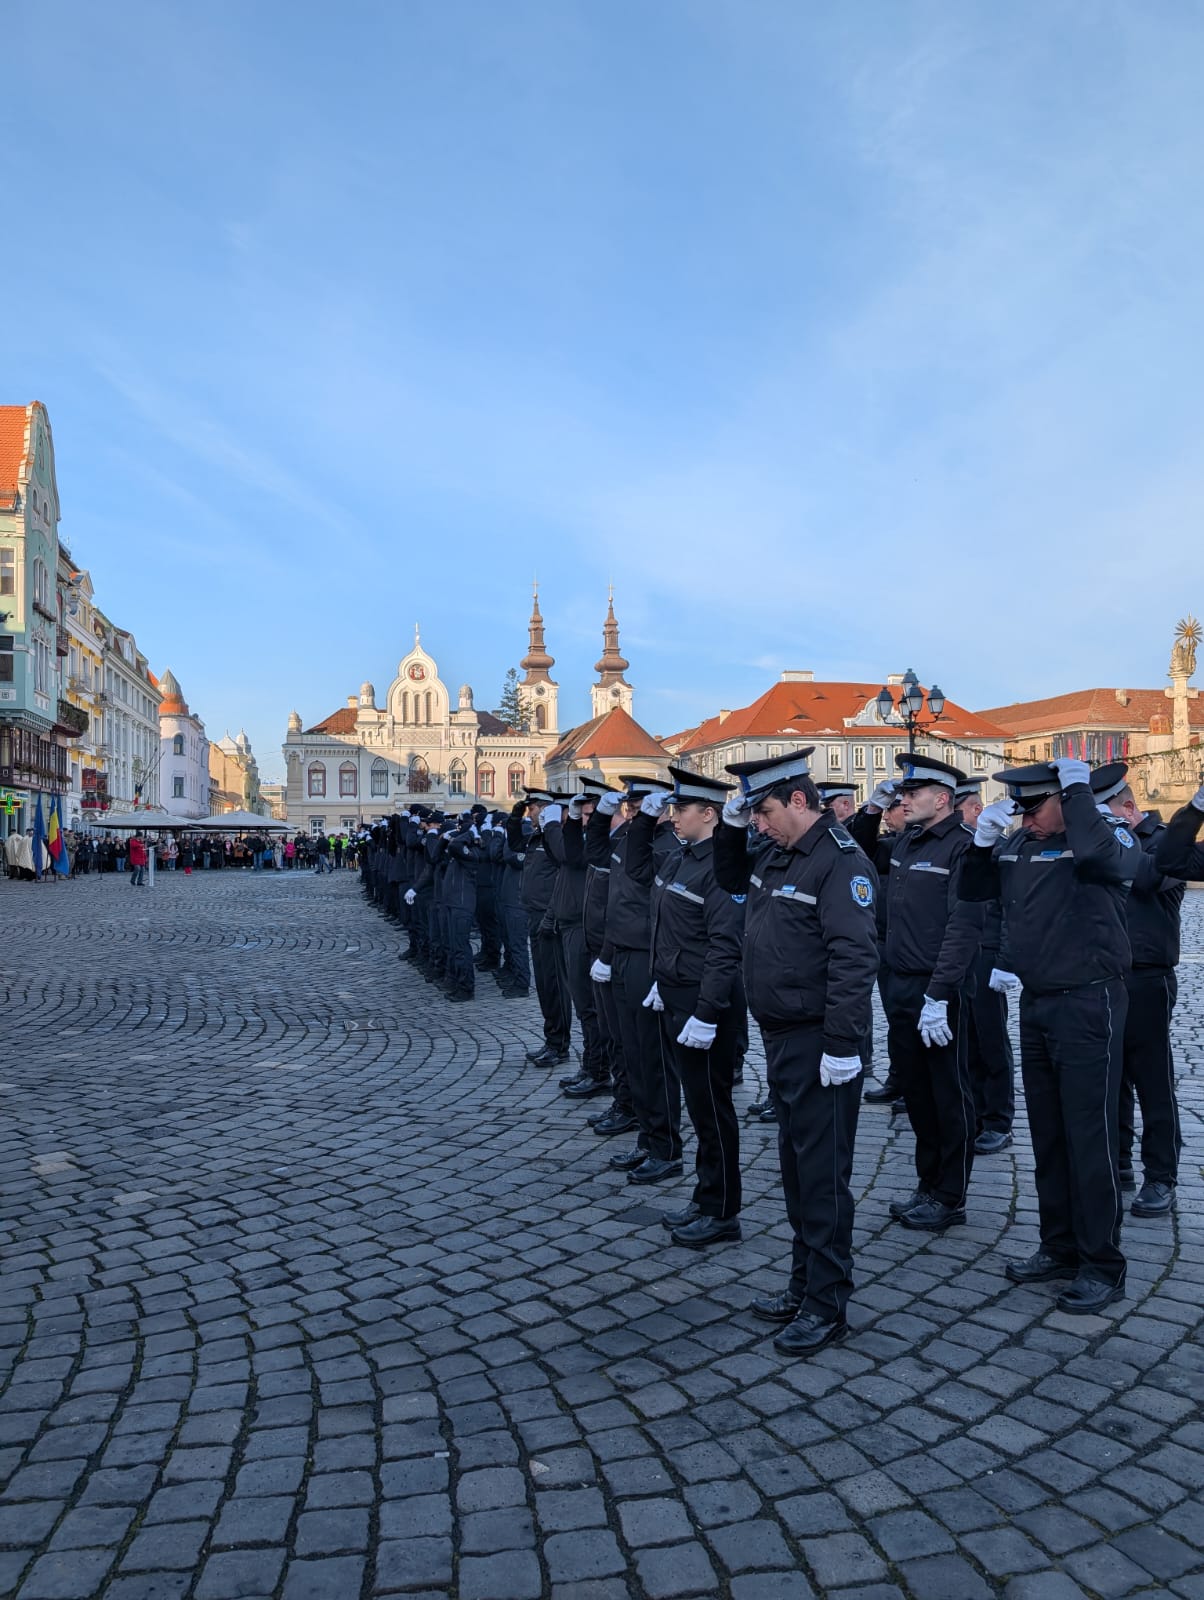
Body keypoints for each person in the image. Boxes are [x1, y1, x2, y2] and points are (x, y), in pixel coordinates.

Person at [713, 747, 878, 1355]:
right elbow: (731, 878)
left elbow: (854, 959)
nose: (759, 822)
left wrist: (841, 1045)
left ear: (800, 801)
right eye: (753, 815)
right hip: (782, 1037)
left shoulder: (840, 864)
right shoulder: (777, 853)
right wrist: (733, 829)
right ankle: (802, 1281)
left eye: (766, 811)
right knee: (794, 1170)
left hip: (819, 1042)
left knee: (823, 1176)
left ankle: (827, 1302)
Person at [960, 758, 1135, 1314]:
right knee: (1050, 1134)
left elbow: (1104, 858)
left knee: (1091, 1135)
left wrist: (1081, 793)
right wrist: (982, 845)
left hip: (1090, 1000)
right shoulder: (1020, 842)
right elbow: (974, 890)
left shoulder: (1100, 838)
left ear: (1068, 799)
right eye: (1018, 808)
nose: (1024, 817)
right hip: (1037, 1002)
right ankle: (1058, 1245)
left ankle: (1102, 1263)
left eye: (1035, 806)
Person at [626, 766, 747, 1248]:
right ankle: (705, 1196)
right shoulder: (681, 858)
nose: (673, 816)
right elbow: (663, 917)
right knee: (699, 1109)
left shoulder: (720, 865)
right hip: (678, 994)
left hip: (705, 1004)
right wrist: (662, 977)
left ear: (709, 814)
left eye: (681, 809)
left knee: (713, 1111)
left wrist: (707, 1010)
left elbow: (724, 946)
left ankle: (722, 1212)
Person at [878, 752, 984, 1232]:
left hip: (938, 989)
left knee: (948, 1093)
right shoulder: (907, 841)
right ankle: (928, 1183)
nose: (904, 800)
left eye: (912, 794)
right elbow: (859, 850)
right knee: (917, 1093)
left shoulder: (961, 848)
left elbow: (963, 928)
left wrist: (939, 995)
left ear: (941, 799)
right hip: (900, 983)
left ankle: (951, 1194)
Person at [1091, 762, 1185, 1218]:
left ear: (1127, 808)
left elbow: (1150, 876)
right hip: (1106, 975)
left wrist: (1118, 837)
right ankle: (1120, 1163)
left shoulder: (1164, 840)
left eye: (1102, 812)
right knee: (1112, 1076)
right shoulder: (1104, 843)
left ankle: (1161, 1176)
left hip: (1148, 975)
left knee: (1152, 1079)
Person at [587, 774, 683, 1185]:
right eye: (628, 805)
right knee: (631, 1052)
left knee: (654, 1061)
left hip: (648, 960)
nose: (631, 810)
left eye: (638, 805)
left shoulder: (664, 846)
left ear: (656, 807)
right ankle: (647, 1137)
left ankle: (665, 1146)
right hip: (623, 954)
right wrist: (599, 815)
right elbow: (593, 855)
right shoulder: (629, 838)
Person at [955, 778, 1015, 1156]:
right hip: (964, 952)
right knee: (969, 1040)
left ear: (977, 810)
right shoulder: (966, 846)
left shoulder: (1002, 849)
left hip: (990, 953)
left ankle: (998, 1119)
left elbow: (1014, 909)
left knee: (992, 1041)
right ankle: (975, 1111)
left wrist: (1006, 960)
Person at [542, 789, 610, 1099]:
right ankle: (590, 1065)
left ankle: (598, 1070)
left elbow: (568, 855)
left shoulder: (596, 844)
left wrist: (557, 825)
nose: (584, 821)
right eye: (580, 815)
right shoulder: (581, 838)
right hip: (570, 924)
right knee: (583, 1004)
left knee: (589, 1005)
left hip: (586, 928)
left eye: (588, 815)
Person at [853, 781, 908, 1110]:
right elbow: (861, 847)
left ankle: (916, 1085)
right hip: (888, 943)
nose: (888, 814)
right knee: (897, 1018)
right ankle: (900, 1078)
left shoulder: (942, 843)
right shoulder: (893, 845)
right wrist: (872, 809)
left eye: (893, 806)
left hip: (926, 952)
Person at [519, 789, 572, 1069]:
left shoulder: (556, 837)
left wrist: (551, 916)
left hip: (550, 921)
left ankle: (559, 1045)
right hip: (534, 916)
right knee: (543, 985)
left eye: (534, 808)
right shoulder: (537, 836)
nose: (530, 814)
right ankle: (551, 1039)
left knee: (555, 985)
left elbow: (562, 872)